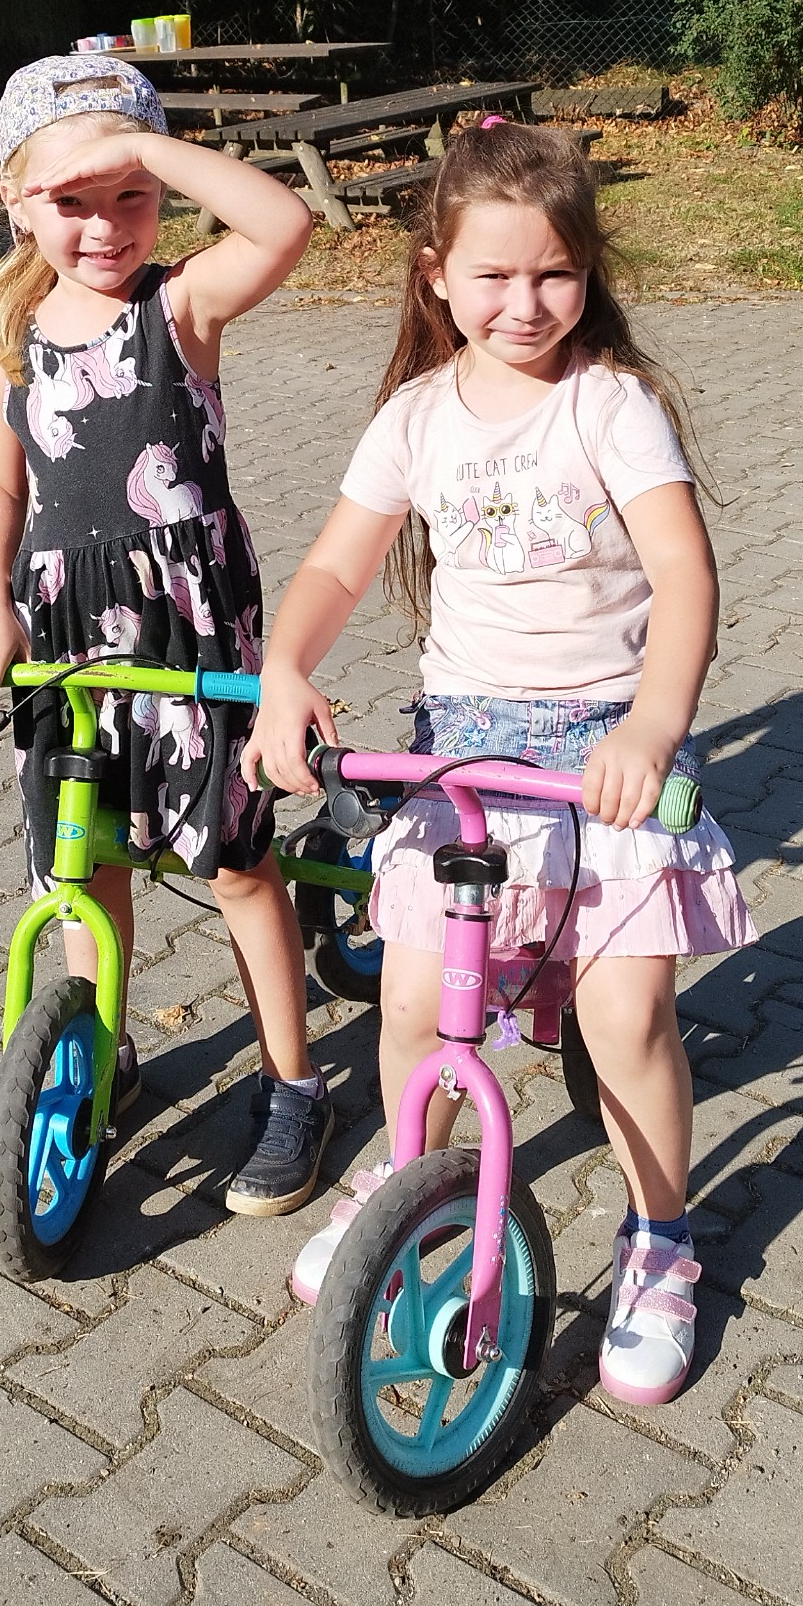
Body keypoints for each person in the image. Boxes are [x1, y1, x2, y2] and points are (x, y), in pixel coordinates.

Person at [243, 118, 754, 1408]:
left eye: (554, 274)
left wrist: (652, 726)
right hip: (464, 748)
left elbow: (686, 575)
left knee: (623, 1018)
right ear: (435, 273)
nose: (524, 304)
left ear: (588, 271)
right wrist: (287, 668)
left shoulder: (609, 405)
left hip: (604, 747)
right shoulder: (417, 417)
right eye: (494, 275)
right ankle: (405, 1182)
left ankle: (661, 1240)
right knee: (415, 1004)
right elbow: (337, 564)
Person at [0, 52, 334, 1215]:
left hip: (189, 625)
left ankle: (293, 1083)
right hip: (64, 634)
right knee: (91, 854)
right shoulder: (8, 333)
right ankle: (100, 1045)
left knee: (239, 860)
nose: (107, 226)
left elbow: (285, 223)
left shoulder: (181, 306)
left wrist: (142, 144)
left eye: (131, 197)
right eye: (72, 200)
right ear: (16, 202)